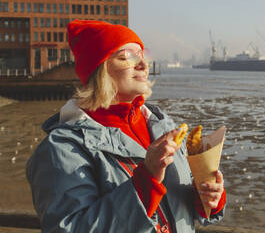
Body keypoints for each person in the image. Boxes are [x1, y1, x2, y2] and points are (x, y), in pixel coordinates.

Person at [26, 20, 226, 232]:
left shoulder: (163, 125)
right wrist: (145, 181)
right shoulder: (62, 148)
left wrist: (206, 198)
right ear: (99, 69)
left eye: (142, 55)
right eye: (125, 57)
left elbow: (180, 208)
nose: (143, 65)